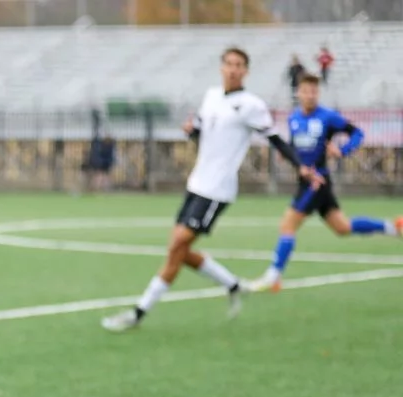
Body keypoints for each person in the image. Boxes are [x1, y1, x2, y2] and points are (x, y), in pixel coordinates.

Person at [102, 47, 319, 332]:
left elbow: (277, 140)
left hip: (218, 190)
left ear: (246, 71)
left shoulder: (251, 104)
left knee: (177, 246)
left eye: (239, 65)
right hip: (196, 183)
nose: (233, 69)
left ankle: (139, 312)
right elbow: (201, 135)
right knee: (178, 249)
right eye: (229, 64)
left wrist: (300, 167)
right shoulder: (211, 97)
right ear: (221, 67)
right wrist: (191, 130)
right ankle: (233, 285)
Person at [250, 74, 401, 293]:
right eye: (306, 91)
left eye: (314, 91)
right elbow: (294, 146)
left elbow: (357, 133)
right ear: (298, 93)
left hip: (317, 181)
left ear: (317, 93)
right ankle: (393, 228)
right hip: (306, 180)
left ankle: (273, 276)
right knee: (342, 227)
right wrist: (291, 157)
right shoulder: (294, 119)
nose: (310, 95)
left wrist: (342, 151)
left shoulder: (328, 117)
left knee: (287, 226)